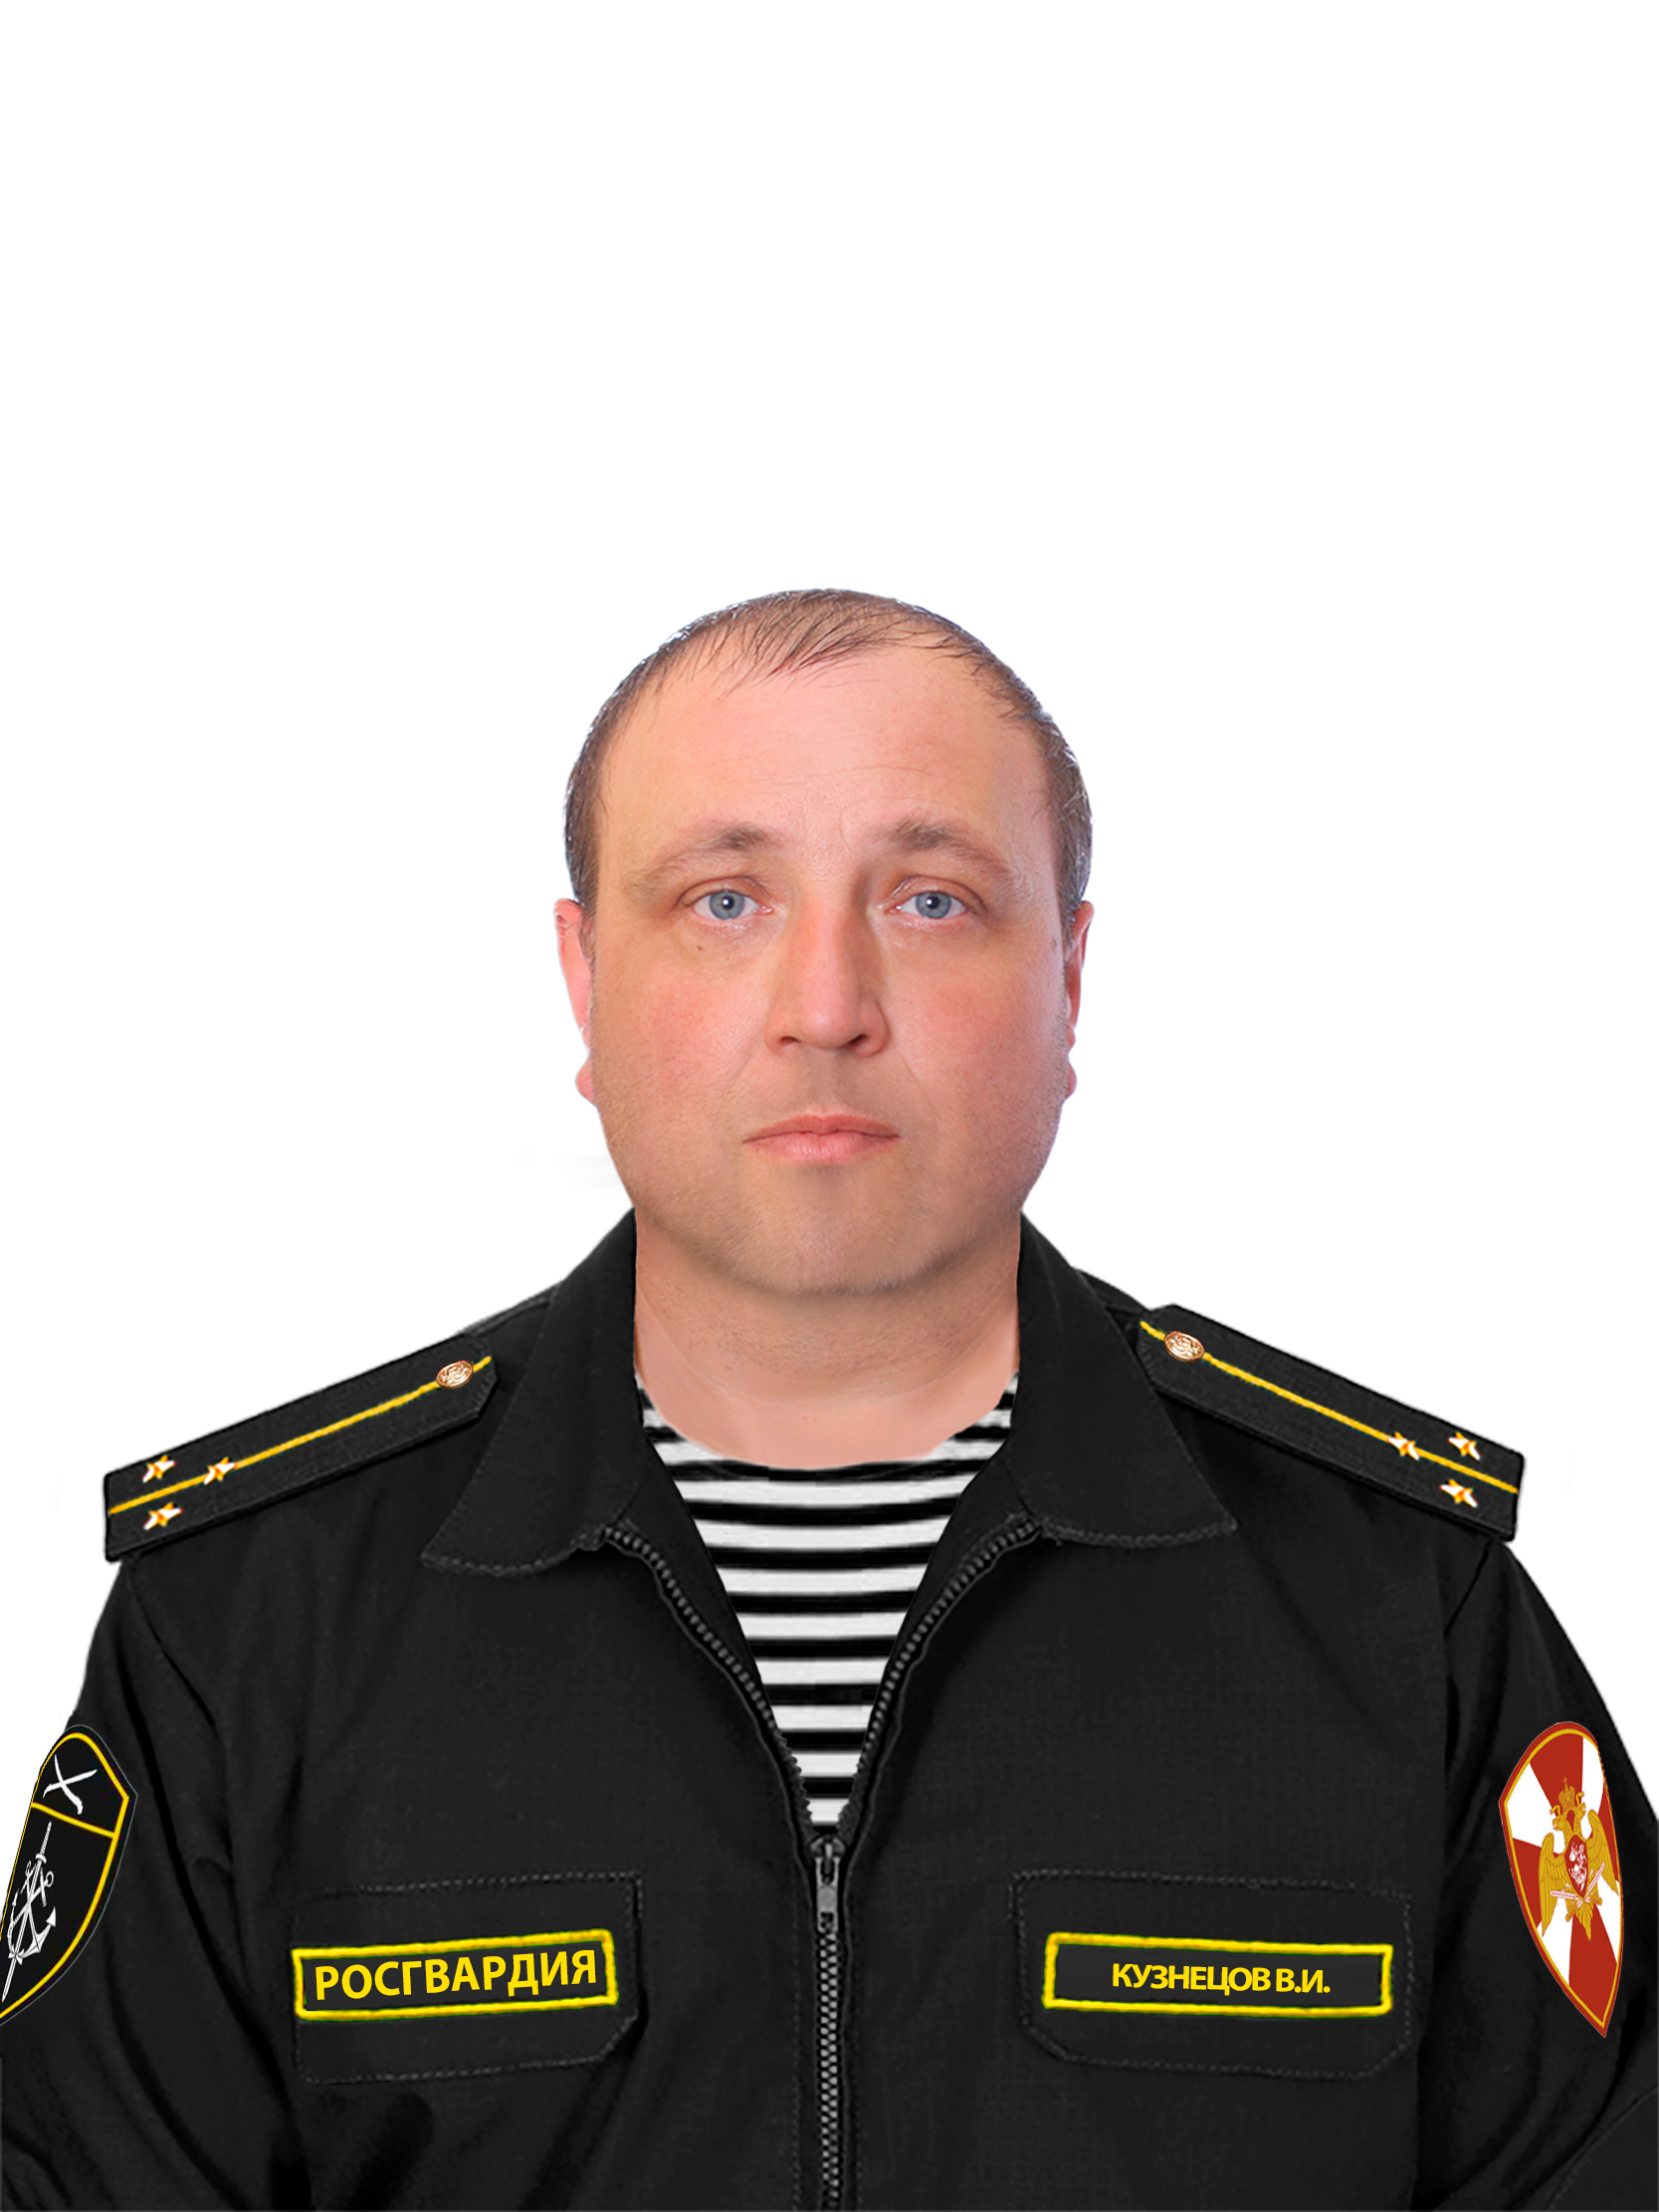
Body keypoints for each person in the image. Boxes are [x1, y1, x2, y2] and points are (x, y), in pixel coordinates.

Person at [0, 588, 1651, 2210]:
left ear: (1069, 976)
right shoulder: (250, 1621)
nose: (825, 1006)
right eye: (723, 900)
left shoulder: (1400, 1607)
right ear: (584, 980)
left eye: (930, 900)